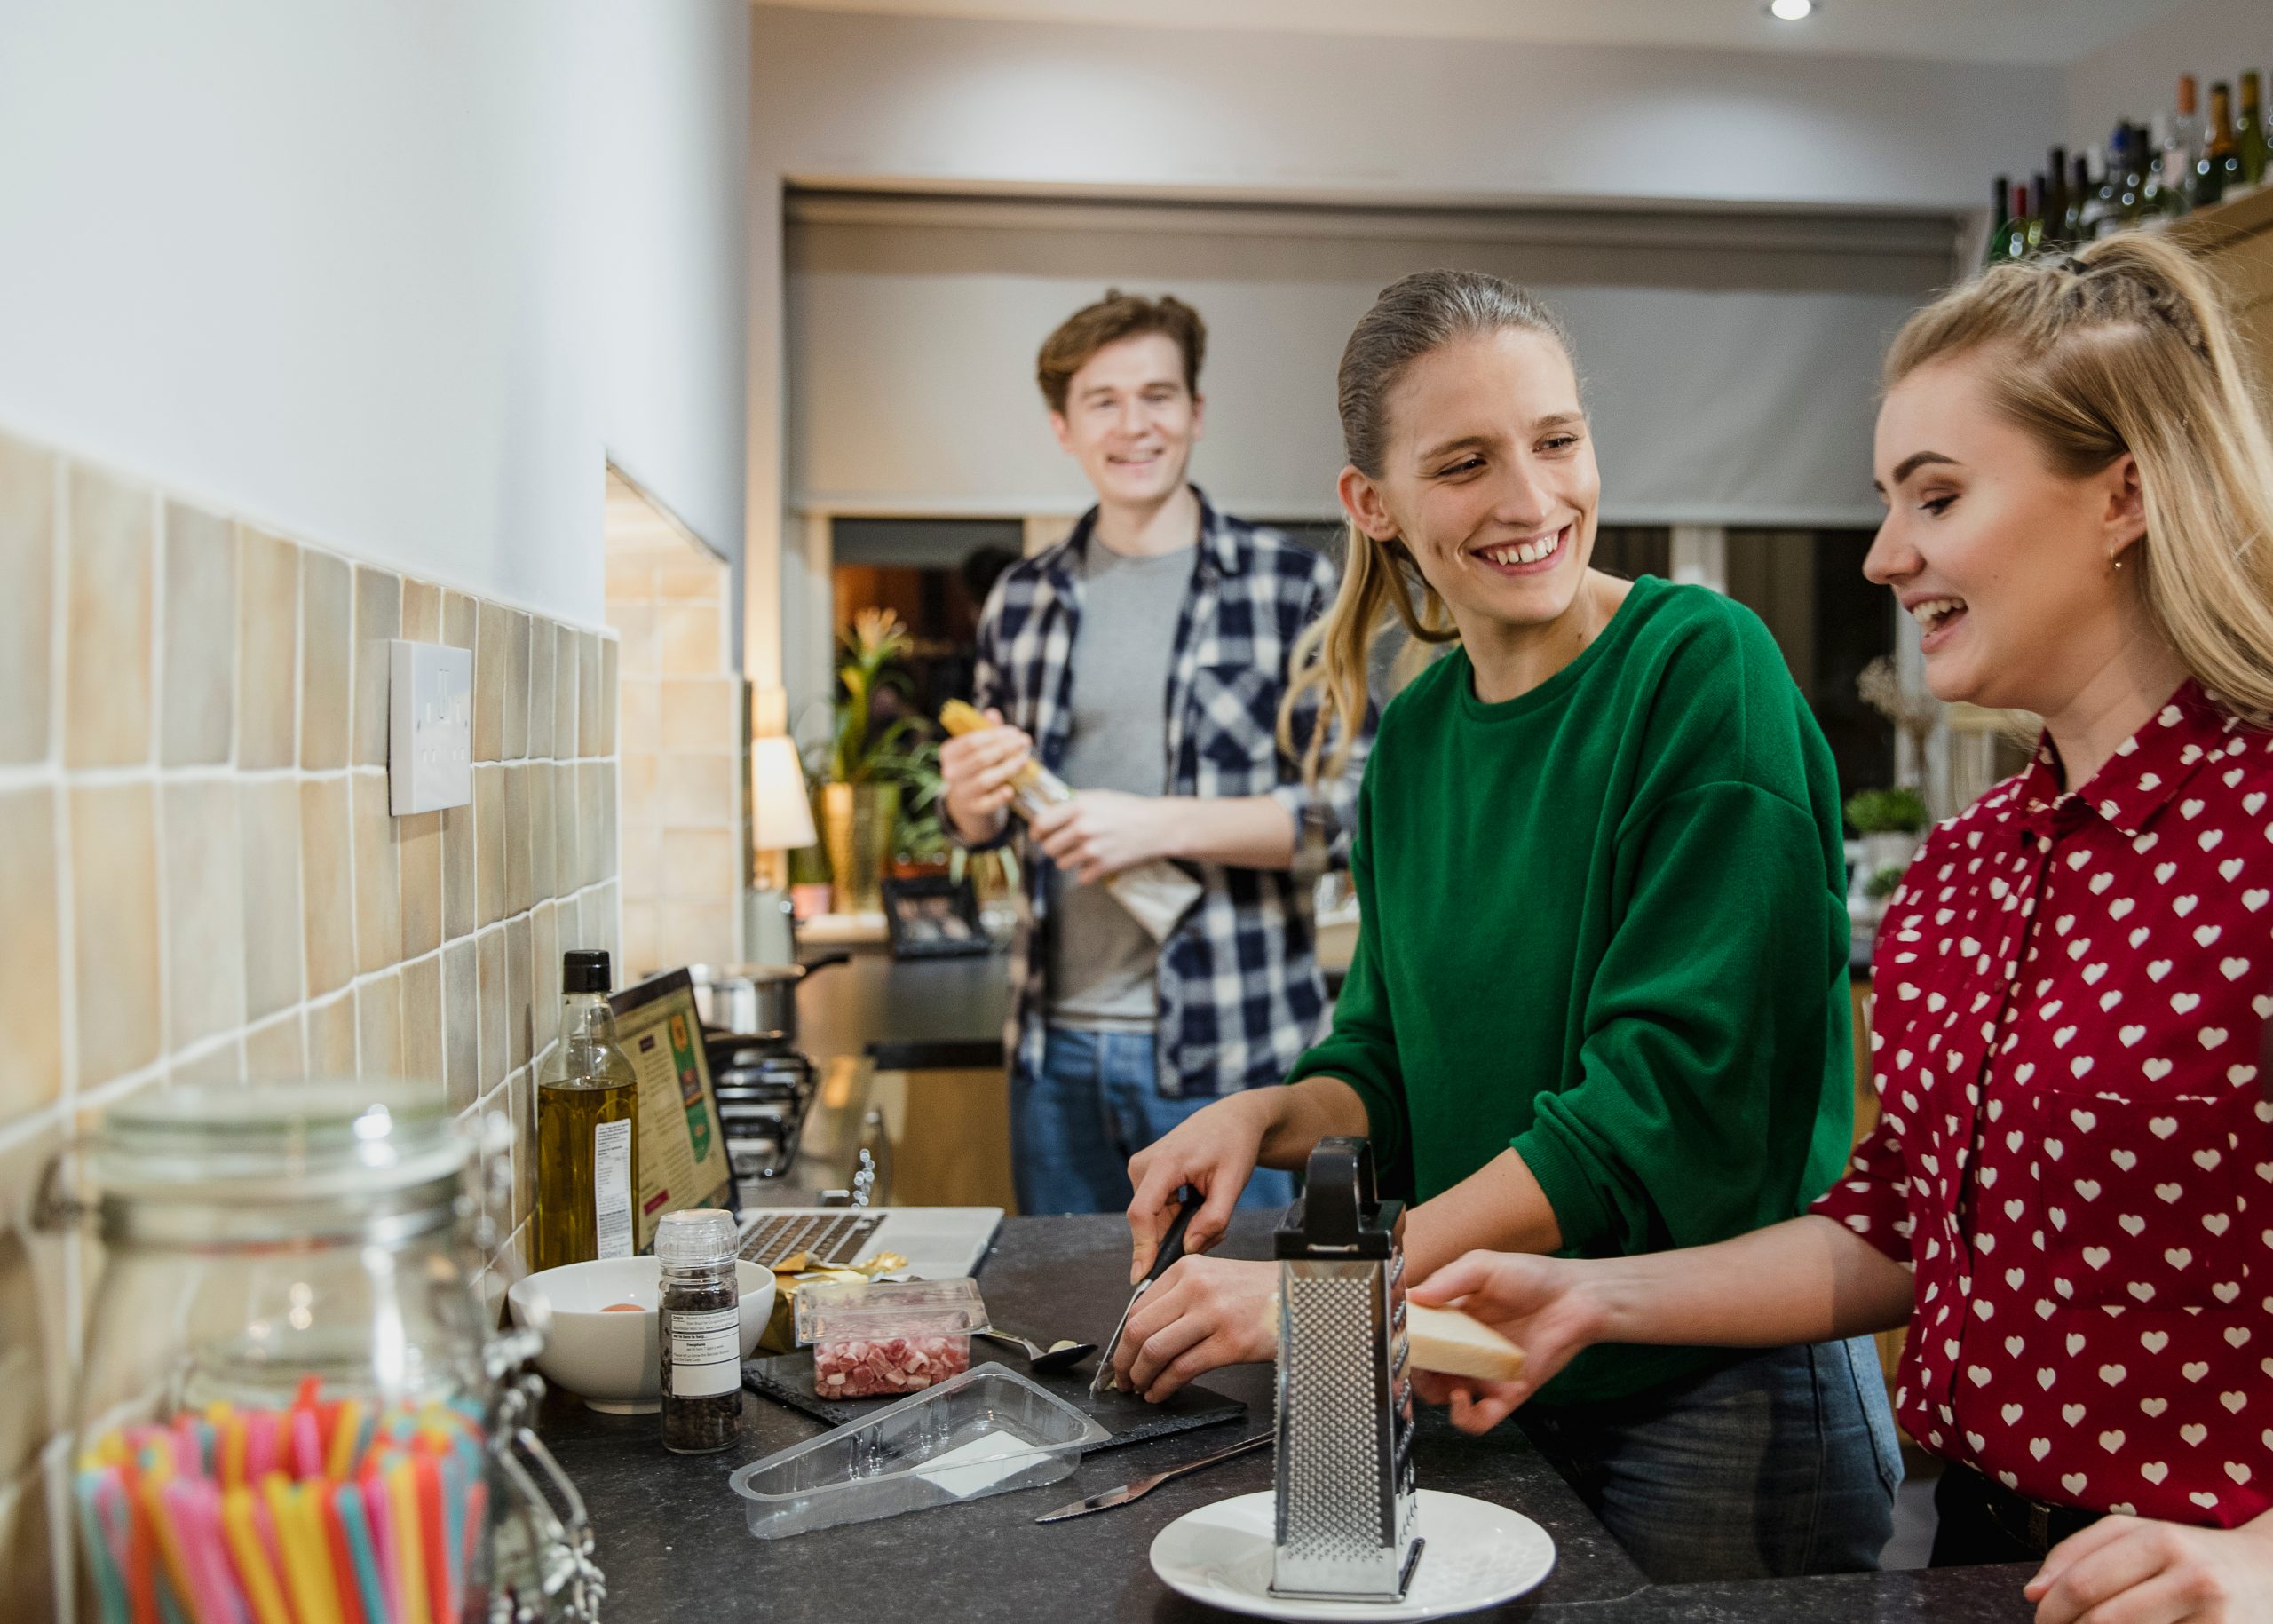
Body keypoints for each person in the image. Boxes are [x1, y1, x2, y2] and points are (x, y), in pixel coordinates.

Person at [1402, 234, 2273, 1621]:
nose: (1883, 554)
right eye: (1886, 499)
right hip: (1973, 1549)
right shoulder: (1965, 871)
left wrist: (2262, 1553)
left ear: (2122, 495)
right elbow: (1895, 1228)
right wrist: (1588, 1298)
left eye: (1936, 495)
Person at [1107, 269, 1897, 1581]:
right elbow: (1389, 1057)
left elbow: (1658, 1113)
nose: (1531, 501)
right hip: (1487, 1374)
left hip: (1715, 1408)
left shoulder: (1704, 670)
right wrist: (1270, 1113)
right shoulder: (1414, 736)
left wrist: (1331, 1302)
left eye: (1557, 442)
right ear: (1376, 506)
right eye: (1465, 463)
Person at [939, 290, 1368, 1216]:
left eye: (1158, 395)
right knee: (1072, 1341)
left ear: (1196, 412)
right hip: (1052, 1056)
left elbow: (1353, 814)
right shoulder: (1021, 598)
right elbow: (983, 826)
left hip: (1235, 1051)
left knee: (1247, 1341)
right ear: (1062, 425)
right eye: (1102, 400)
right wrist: (970, 801)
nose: (1134, 425)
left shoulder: (1290, 586)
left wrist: (1156, 824)